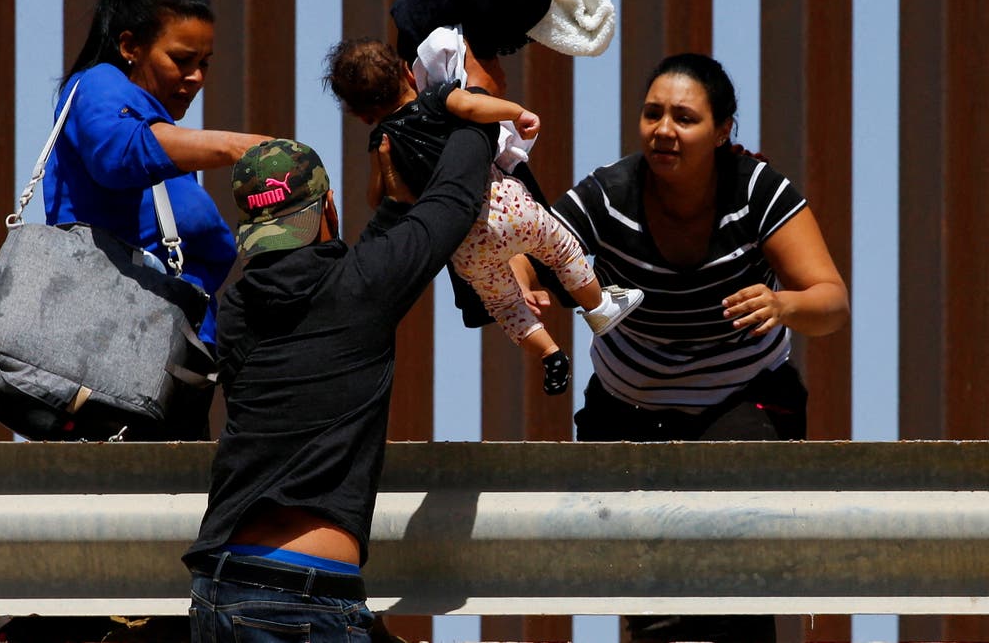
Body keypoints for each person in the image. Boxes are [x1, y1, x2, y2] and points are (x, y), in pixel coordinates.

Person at [541, 52, 850, 643]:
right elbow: (529, 256)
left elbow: (831, 302)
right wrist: (524, 288)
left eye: (684, 118)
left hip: (742, 401)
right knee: (653, 606)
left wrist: (784, 304)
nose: (664, 131)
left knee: (732, 588)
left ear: (723, 130)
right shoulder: (607, 196)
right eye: (652, 114)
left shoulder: (758, 190)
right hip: (625, 411)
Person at [184, 122, 498, 639]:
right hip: (304, 602)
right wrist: (462, 110)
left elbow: (340, 290)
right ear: (328, 207)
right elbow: (454, 199)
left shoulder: (237, 310)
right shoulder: (362, 289)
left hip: (220, 586)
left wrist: (394, 210)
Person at [324, 37, 642, 397]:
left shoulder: (383, 140)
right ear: (407, 74)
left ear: (362, 115)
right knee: (563, 251)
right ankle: (598, 305)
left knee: (505, 305)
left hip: (464, 245)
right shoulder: (436, 98)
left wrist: (387, 167)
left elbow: (380, 196)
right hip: (504, 206)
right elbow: (474, 107)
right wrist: (516, 112)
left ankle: (550, 353)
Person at [43, 0, 270, 440]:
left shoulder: (152, 125)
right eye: (182, 60)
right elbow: (117, 151)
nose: (196, 78)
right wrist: (236, 147)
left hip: (154, 364)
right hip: (111, 361)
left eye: (205, 63)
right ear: (130, 46)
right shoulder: (99, 84)